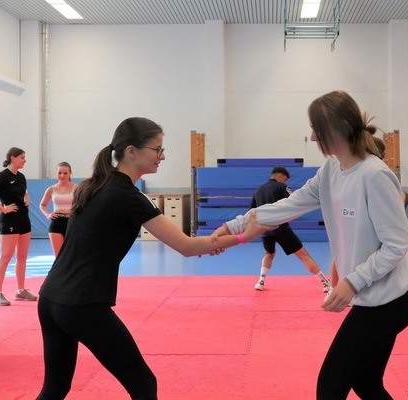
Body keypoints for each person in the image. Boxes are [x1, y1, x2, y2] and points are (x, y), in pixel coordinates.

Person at [36, 117, 270, 399]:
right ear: (132, 151)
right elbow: (186, 246)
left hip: (50, 299)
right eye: (157, 149)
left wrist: (213, 241)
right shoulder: (126, 196)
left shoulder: (93, 185)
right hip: (81, 305)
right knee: (144, 385)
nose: (162, 155)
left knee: (55, 388)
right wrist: (247, 235)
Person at [213, 91, 408, 399]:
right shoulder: (332, 170)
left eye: (316, 129)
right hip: (373, 297)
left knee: (330, 387)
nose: (311, 136)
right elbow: (291, 204)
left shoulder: (374, 175)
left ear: (337, 128)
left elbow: (397, 244)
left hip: (392, 301)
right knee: (366, 383)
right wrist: (236, 224)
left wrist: (351, 283)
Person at [248, 166, 331, 293]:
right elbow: (293, 201)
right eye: (285, 180)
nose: (285, 182)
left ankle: (261, 281)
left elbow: (252, 211)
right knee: (303, 255)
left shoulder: (258, 190)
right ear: (280, 177)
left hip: (264, 229)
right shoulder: (281, 187)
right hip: (280, 228)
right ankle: (325, 283)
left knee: (269, 254)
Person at [0, 147, 36, 306]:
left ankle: (21, 290)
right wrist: (3, 208)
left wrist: (27, 198)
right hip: (9, 220)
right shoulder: (2, 177)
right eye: (22, 157)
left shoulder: (21, 176)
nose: (25, 160)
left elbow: (24, 191)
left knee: (22, 256)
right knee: (6, 256)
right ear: (13, 158)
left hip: (24, 218)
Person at [39, 162, 76, 256]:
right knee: (59, 257)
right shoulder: (51, 189)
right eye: (59, 173)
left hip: (71, 222)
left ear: (70, 173)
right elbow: (42, 205)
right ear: (56, 173)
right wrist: (48, 214)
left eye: (65, 173)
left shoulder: (77, 188)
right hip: (56, 222)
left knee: (71, 255)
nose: (62, 175)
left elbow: (83, 204)